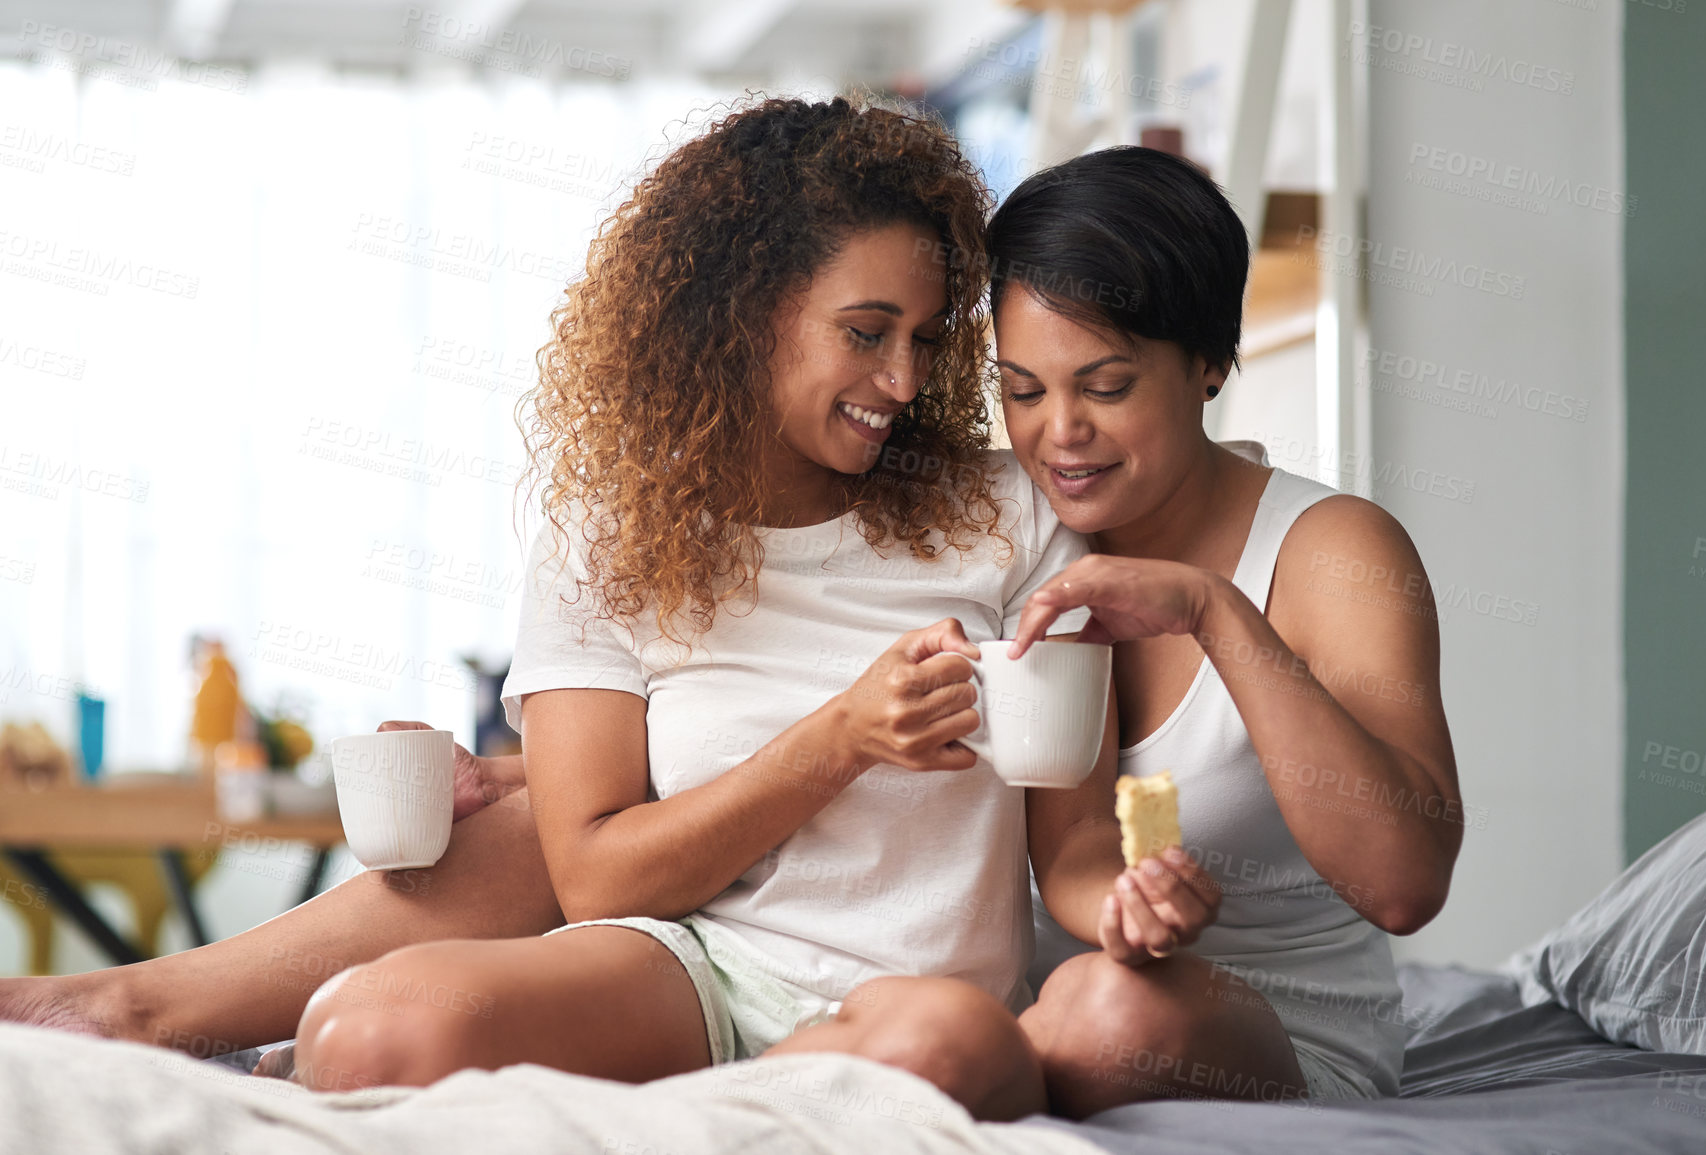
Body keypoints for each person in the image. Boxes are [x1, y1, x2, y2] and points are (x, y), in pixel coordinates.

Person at [0, 95, 1111, 1123]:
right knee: (372, 1031)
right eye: (866, 333)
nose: (908, 381)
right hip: (691, 972)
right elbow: (596, 876)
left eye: (930, 336)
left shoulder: (1006, 514)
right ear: (744, 314)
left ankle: (681, 1128)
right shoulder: (615, 533)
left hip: (913, 998)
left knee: (949, 1042)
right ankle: (168, 1022)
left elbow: (1071, 810)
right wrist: (842, 738)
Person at [985, 147, 1464, 1116]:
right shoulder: (1035, 548)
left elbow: (1404, 883)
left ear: (1208, 362)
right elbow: (1073, 843)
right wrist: (1122, 906)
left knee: (1100, 1016)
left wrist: (1213, 612)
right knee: (1072, 1004)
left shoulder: (1334, 552)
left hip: (1285, 1033)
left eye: (1106, 386)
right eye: (1024, 391)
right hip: (1075, 995)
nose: (1058, 433)